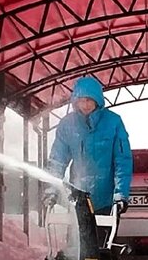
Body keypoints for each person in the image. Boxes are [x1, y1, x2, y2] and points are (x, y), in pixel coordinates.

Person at [47, 75, 133, 217]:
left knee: (103, 238)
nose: (85, 105)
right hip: (78, 197)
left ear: (97, 100)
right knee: (79, 238)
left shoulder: (113, 122)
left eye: (89, 100)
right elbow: (58, 159)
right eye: (81, 101)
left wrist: (121, 194)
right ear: (76, 102)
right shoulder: (68, 125)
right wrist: (52, 189)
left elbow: (122, 161)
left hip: (107, 199)